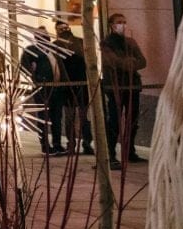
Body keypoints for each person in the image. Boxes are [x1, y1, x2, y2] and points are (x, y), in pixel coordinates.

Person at [101, 12, 147, 166]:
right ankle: (111, 153)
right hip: (115, 86)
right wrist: (130, 62)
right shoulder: (106, 43)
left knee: (132, 120)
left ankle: (130, 151)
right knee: (114, 120)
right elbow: (113, 62)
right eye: (119, 22)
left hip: (132, 86)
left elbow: (142, 61)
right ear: (112, 25)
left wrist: (128, 62)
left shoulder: (130, 42)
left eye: (124, 21)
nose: (122, 24)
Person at [20, 28, 65, 154]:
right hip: (42, 89)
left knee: (57, 117)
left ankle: (57, 144)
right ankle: (45, 145)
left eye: (45, 35)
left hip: (57, 88)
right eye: (41, 35)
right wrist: (35, 75)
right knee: (43, 118)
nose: (44, 37)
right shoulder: (31, 50)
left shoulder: (53, 50)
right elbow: (24, 66)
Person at [55, 20, 94, 155]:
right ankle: (71, 144)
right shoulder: (55, 45)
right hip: (66, 86)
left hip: (81, 83)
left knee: (84, 116)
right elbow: (58, 66)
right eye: (60, 29)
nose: (64, 30)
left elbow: (86, 59)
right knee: (69, 116)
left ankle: (87, 143)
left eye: (66, 28)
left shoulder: (80, 42)